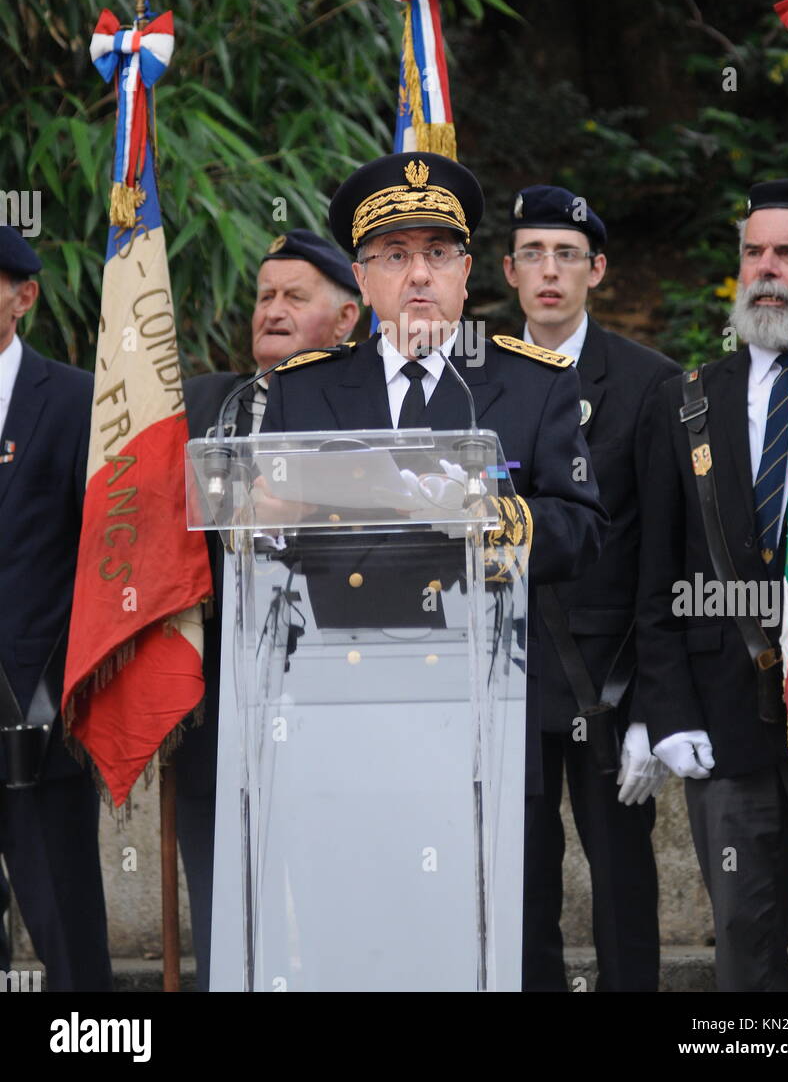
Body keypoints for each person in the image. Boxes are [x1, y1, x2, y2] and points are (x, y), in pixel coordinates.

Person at [261, 153, 608, 812]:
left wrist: (489, 518)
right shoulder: (303, 390)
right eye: (394, 256)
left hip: (485, 699)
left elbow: (583, 529)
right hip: (339, 700)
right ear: (360, 280)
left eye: (439, 253)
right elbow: (270, 541)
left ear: (466, 274)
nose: (419, 273)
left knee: (512, 913)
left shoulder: (533, 384)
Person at [637, 178, 788, 992]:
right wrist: (662, 712)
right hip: (724, 717)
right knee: (740, 934)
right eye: (753, 253)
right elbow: (655, 574)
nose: (766, 270)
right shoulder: (685, 399)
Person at [503, 184, 678, 992]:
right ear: (506, 271)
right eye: (532, 255)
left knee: (621, 882)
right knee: (522, 883)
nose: (549, 271)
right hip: (508, 673)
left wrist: (652, 704)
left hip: (605, 680)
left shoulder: (649, 382)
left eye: (566, 255)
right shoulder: (480, 380)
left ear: (596, 270)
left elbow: (660, 547)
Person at [177, 229, 359, 990]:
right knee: (221, 897)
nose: (271, 311)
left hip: (328, 691)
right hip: (210, 688)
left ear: (347, 319)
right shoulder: (195, 403)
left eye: (295, 297)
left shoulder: (368, 410)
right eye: (263, 297)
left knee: (329, 897)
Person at [0, 227, 112, 992]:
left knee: (67, 925)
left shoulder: (77, 399)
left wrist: (70, 683)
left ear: (24, 295)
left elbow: (106, 557)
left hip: (41, 705)